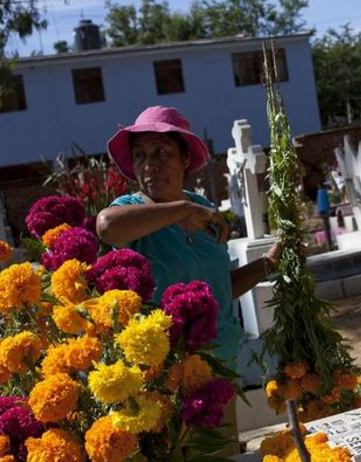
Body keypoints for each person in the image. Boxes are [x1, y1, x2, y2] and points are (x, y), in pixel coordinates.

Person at [97, 106, 280, 454]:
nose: (149, 164)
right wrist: (183, 210)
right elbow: (107, 227)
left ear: (184, 158)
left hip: (221, 368)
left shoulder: (202, 209)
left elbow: (218, 290)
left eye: (161, 152)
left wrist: (267, 265)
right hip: (167, 378)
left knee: (221, 454)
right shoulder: (134, 209)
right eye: (140, 155)